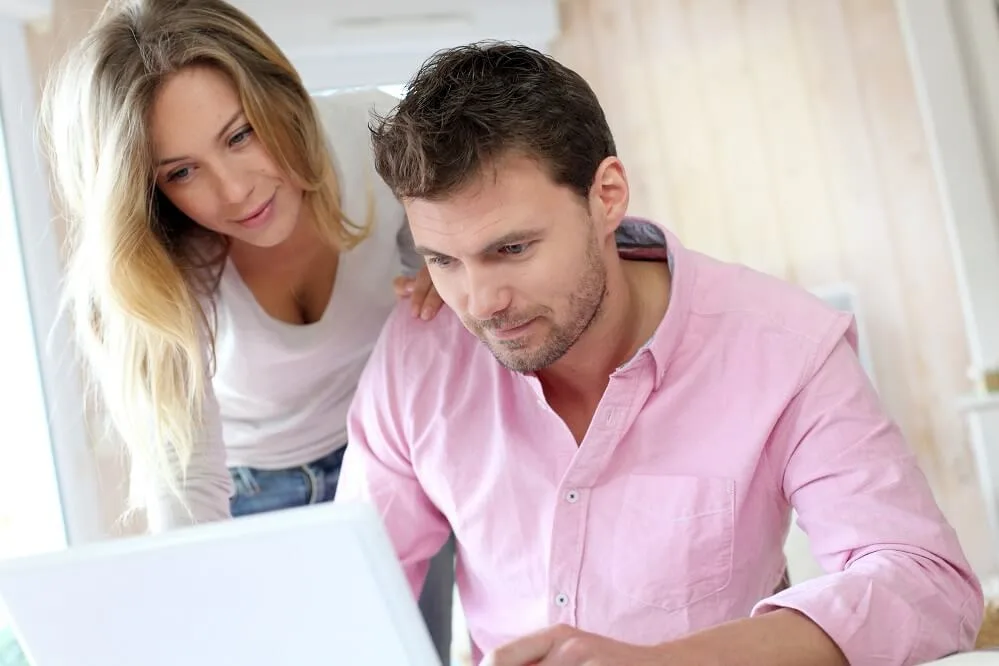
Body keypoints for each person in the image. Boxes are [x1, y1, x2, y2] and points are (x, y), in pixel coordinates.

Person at [336, 41, 984, 665]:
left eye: (511, 250)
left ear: (607, 196)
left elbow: (923, 580)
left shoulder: (782, 347)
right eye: (444, 260)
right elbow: (346, 589)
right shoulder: (420, 355)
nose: (480, 302)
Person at [40, 0, 452, 660]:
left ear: (277, 94)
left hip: (394, 458)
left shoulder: (374, 143)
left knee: (410, 654)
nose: (234, 192)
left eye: (239, 135)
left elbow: (474, 298)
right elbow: (188, 487)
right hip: (256, 493)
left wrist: (455, 281)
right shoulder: (162, 268)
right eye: (180, 172)